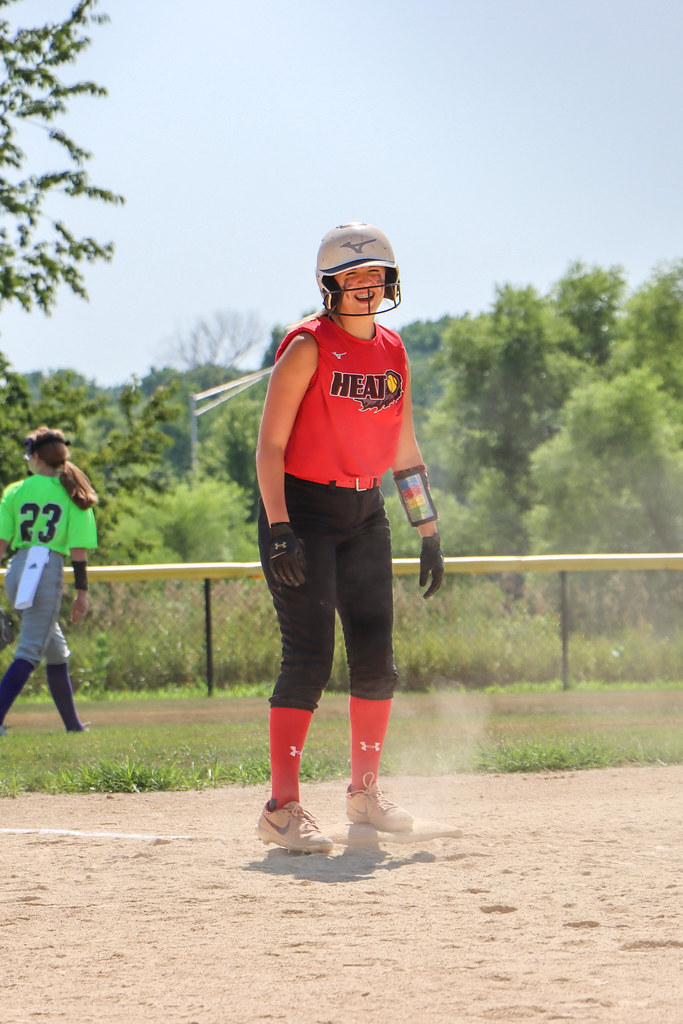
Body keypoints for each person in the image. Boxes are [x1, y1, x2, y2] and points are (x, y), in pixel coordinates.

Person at [255, 222, 445, 853]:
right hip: (303, 510)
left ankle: (363, 795)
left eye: (375, 276)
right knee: (309, 660)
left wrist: (427, 525)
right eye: (353, 277)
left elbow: (404, 447)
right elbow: (271, 447)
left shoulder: (394, 350)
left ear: (389, 282)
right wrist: (280, 526)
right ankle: (282, 808)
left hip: (365, 510)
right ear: (330, 285)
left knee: (375, 661)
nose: (366, 287)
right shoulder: (308, 346)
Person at [0, 426, 98, 735]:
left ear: (38, 456)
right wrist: (82, 593)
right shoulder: (73, 492)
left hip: (18, 570)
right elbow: (78, 552)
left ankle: (73, 726)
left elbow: (1, 543)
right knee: (29, 650)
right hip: (45, 571)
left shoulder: (16, 490)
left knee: (55, 650)